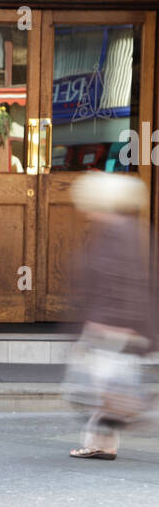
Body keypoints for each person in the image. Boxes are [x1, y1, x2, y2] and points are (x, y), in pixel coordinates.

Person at [66, 170, 154, 461]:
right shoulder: (123, 229)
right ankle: (103, 442)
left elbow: (121, 281)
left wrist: (113, 323)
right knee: (106, 385)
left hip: (111, 325)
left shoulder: (119, 233)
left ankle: (110, 436)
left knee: (104, 386)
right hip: (113, 324)